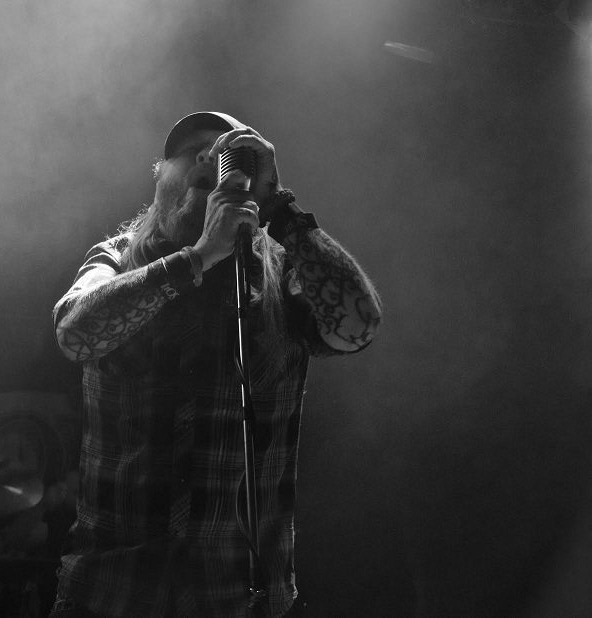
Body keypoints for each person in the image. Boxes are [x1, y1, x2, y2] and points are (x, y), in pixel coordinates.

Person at [49, 111, 383, 617]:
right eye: (191, 151)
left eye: (227, 150)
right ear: (159, 177)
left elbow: (359, 327)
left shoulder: (284, 271)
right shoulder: (116, 259)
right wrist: (199, 256)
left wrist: (280, 208)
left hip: (239, 597)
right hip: (113, 593)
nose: (210, 154)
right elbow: (75, 335)